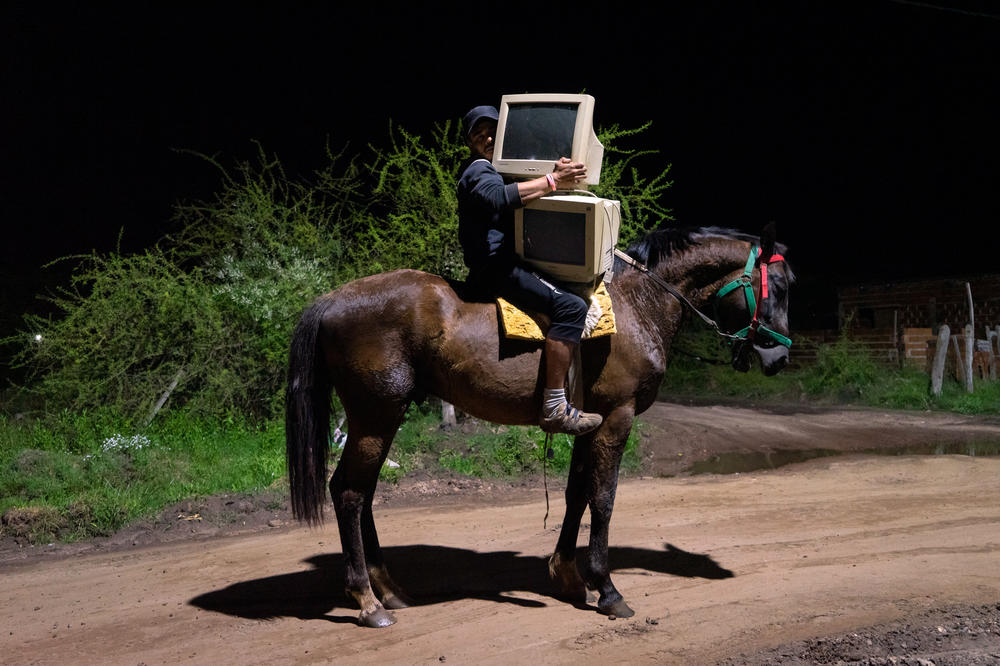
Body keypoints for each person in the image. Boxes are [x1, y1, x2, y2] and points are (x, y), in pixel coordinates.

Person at [456, 105, 603, 436]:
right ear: (470, 144)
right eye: (478, 135)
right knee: (571, 306)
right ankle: (554, 407)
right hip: (496, 269)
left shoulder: (499, 168)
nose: (487, 138)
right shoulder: (478, 170)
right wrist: (553, 180)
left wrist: (556, 170)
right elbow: (498, 197)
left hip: (503, 264)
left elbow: (527, 185)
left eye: (492, 131)